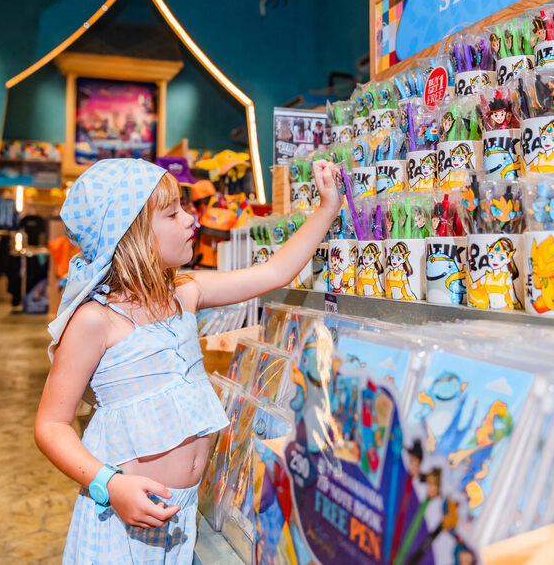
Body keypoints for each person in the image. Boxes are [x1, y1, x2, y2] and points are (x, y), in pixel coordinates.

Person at [35, 158, 341, 564]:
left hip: (182, 518)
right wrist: (110, 486)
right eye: (172, 213)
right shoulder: (96, 320)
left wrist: (328, 207)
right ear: (132, 235)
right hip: (123, 525)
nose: (190, 220)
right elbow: (51, 425)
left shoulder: (186, 293)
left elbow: (275, 272)